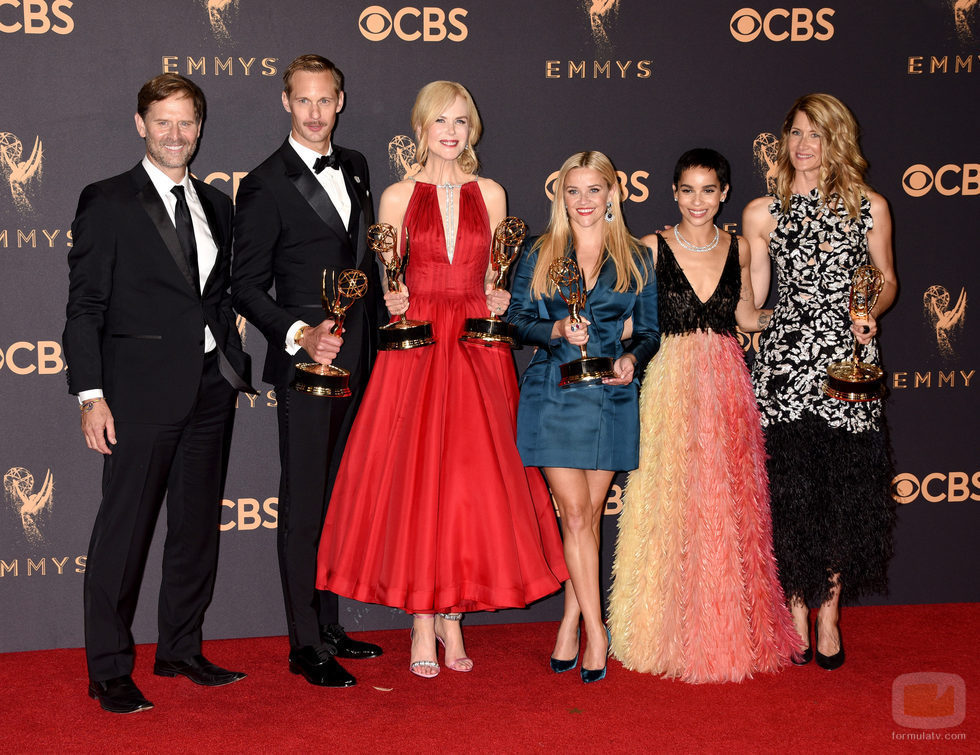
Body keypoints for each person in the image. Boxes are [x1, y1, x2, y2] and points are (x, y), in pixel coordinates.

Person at [315, 81, 568, 679]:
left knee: (467, 486)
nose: (451, 131)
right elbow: (388, 278)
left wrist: (501, 296)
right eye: (440, 121)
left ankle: (454, 613)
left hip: (477, 347)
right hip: (420, 343)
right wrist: (394, 294)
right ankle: (422, 618)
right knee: (416, 482)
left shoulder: (494, 193)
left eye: (461, 121)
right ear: (421, 128)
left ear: (471, 129)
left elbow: (497, 275)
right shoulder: (399, 196)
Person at [63, 73, 254, 714]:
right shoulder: (108, 200)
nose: (177, 134)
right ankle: (110, 668)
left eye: (188, 122)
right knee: (125, 533)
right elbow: (85, 306)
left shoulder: (218, 205)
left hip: (208, 390)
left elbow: (220, 295)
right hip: (137, 394)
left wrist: (231, 361)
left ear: (200, 128)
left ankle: (180, 648)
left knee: (196, 530)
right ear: (140, 124)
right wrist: (91, 395)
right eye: (163, 121)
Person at [607, 148, 799, 682]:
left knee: (726, 507)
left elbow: (744, 316)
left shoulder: (738, 248)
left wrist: (806, 308)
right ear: (673, 193)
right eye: (688, 190)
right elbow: (626, 320)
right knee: (670, 504)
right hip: (669, 384)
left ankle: (728, 629)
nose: (698, 201)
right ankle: (659, 630)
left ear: (725, 195)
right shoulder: (651, 247)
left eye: (709, 190)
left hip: (727, 386)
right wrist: (583, 333)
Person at [231, 54, 384, 688]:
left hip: (365, 359)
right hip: (306, 367)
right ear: (286, 104)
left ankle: (327, 623)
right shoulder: (265, 182)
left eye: (326, 100)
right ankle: (302, 644)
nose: (316, 113)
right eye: (304, 102)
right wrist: (300, 336)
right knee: (302, 504)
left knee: (338, 497)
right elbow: (244, 285)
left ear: (341, 101)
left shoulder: (356, 165)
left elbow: (363, 264)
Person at [742, 93, 898, 670]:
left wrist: (870, 311)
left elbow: (886, 279)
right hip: (786, 364)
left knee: (843, 491)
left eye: (818, 134)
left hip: (846, 363)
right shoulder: (763, 212)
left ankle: (828, 612)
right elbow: (753, 298)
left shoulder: (870, 207)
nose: (805, 145)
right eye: (797, 133)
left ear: (839, 142)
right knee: (794, 491)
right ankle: (797, 609)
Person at [508, 150, 660, 683]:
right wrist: (553, 332)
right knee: (575, 516)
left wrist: (631, 358)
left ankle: (571, 619)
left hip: (612, 398)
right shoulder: (539, 251)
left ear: (613, 193)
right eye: (573, 191)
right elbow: (515, 320)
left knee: (590, 520)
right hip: (554, 393)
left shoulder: (638, 257)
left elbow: (649, 331)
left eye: (594, 190)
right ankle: (598, 631)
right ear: (560, 196)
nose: (583, 201)